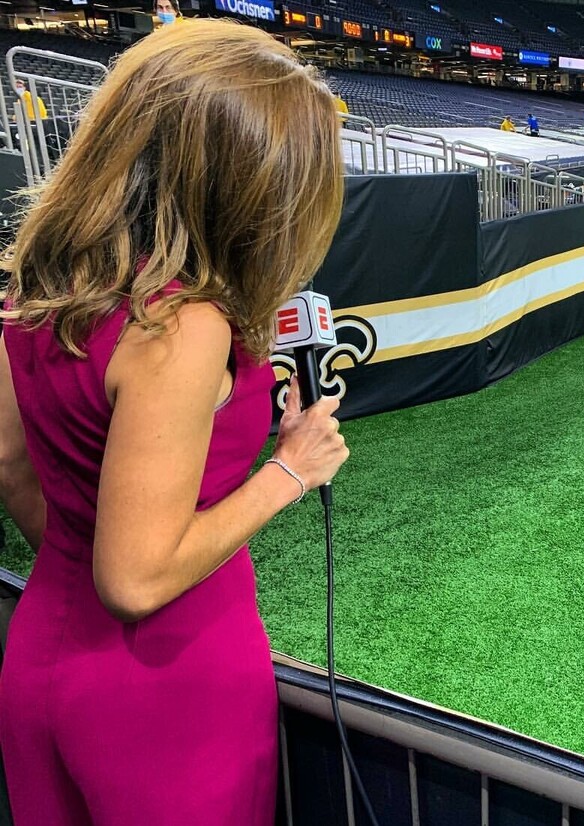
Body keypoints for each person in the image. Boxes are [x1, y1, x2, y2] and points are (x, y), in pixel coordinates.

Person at [0, 20, 349, 825]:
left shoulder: (36, 284)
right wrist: (289, 470)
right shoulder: (183, 325)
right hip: (168, 690)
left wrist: (86, 554)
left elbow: (13, 467)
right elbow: (133, 580)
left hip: (43, 656)